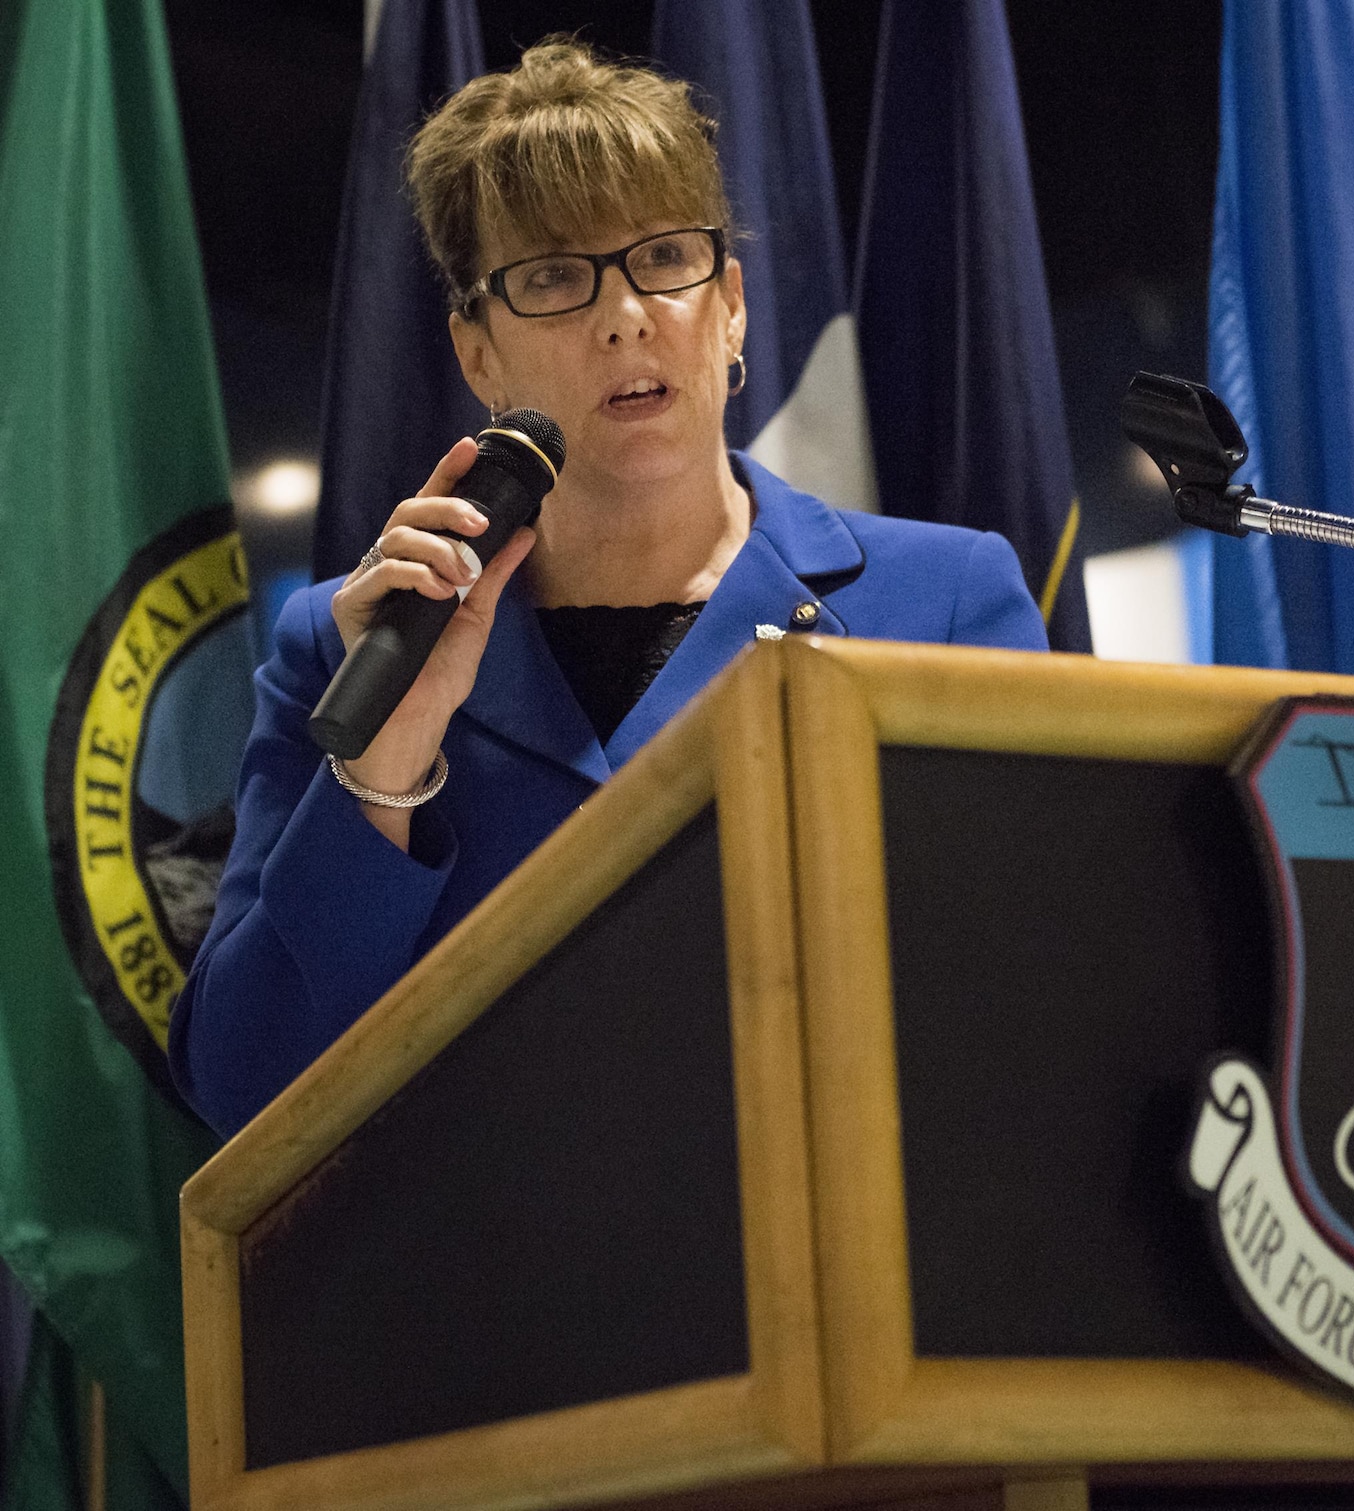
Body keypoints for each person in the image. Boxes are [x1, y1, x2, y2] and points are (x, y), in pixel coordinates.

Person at [170, 40, 1049, 1138]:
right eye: (551, 277)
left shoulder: (947, 599)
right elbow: (245, 1086)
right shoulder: (347, 639)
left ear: (728, 307)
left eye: (664, 257)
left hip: (842, 1268)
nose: (625, 314)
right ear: (477, 353)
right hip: (490, 1292)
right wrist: (384, 767)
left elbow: (1042, 1010)